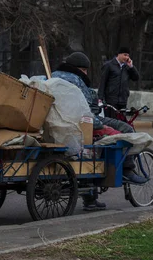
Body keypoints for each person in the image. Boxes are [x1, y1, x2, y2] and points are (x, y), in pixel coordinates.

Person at [52, 52, 147, 211]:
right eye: (86, 70)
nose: (87, 73)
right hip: (80, 122)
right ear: (81, 69)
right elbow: (85, 111)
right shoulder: (77, 81)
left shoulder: (53, 76)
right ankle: (128, 169)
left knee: (91, 151)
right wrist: (98, 124)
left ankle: (91, 199)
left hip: (58, 121)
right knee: (125, 129)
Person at [99, 47, 140, 118]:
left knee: (121, 122)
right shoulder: (109, 65)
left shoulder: (127, 67)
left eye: (128, 56)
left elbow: (136, 78)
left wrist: (131, 67)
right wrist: (100, 98)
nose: (126, 57)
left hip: (123, 100)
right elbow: (103, 82)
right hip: (111, 100)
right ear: (119, 54)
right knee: (111, 121)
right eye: (125, 55)